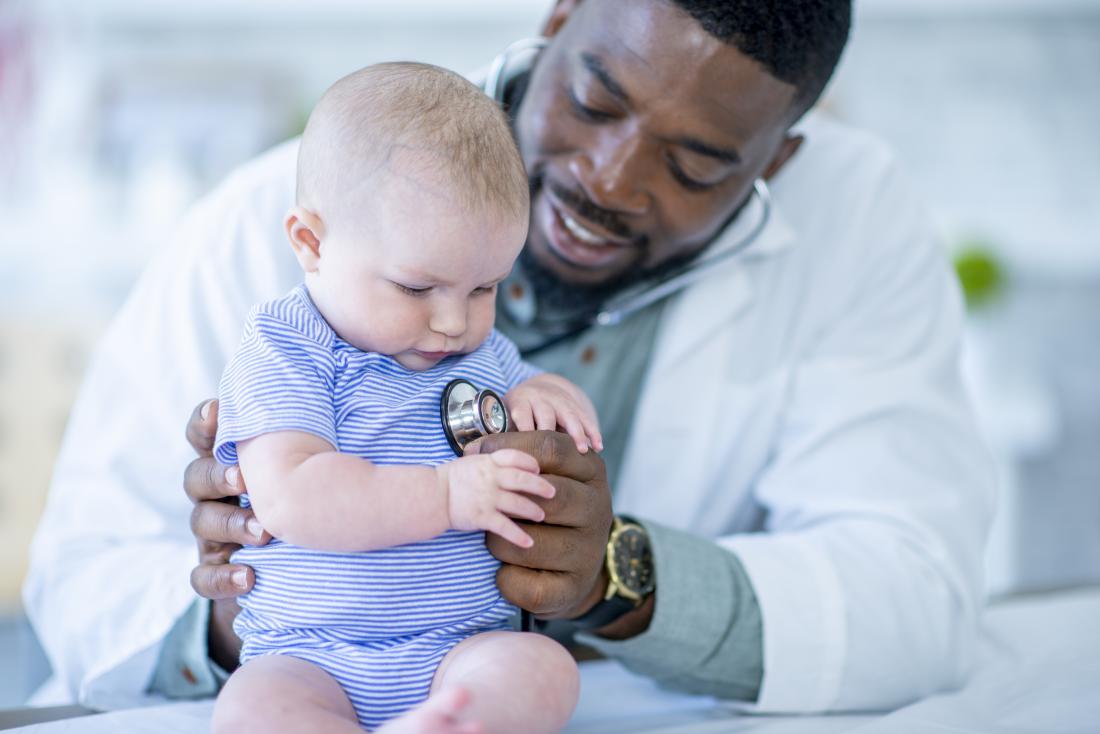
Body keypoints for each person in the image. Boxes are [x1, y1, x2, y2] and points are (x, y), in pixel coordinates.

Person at [24, 0, 996, 717]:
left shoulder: (858, 219)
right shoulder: (281, 223)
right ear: (560, 16)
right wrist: (252, 600)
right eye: (592, 98)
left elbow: (915, 591)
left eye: (694, 165)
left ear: (776, 162)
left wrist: (618, 577)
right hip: (302, 647)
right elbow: (78, 580)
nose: (607, 179)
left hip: (481, 668)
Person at [210, 63, 591, 733]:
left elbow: (517, 392)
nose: (454, 322)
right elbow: (294, 495)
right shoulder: (287, 347)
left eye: (484, 289)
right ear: (312, 243)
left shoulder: (479, 355)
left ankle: (446, 722)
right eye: (418, 289)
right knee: (252, 709)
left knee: (543, 670)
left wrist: (544, 393)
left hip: (456, 651)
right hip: (309, 655)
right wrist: (446, 496)